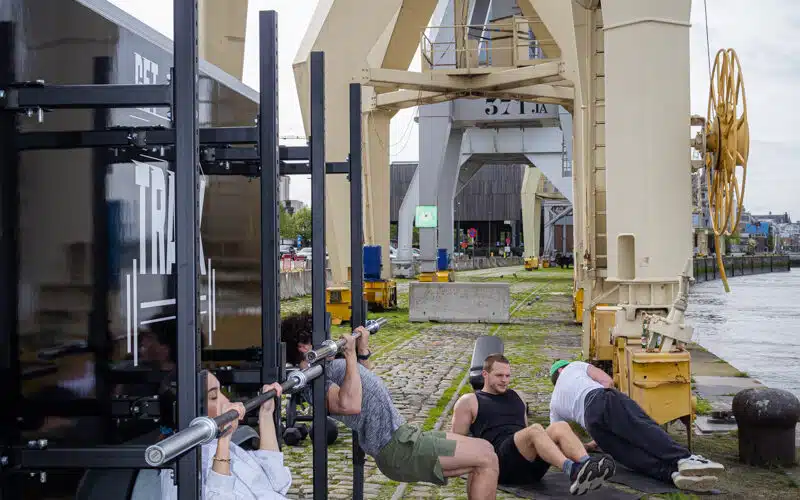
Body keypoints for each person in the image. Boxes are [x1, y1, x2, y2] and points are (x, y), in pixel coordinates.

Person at [281, 311, 500, 500]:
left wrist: (362, 351)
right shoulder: (313, 382)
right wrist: (349, 355)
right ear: (304, 347)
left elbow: (363, 383)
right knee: (487, 460)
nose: (328, 341)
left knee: (485, 449)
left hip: (407, 436)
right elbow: (350, 405)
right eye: (320, 338)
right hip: (398, 449)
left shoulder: (326, 368)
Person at [548, 359, 725, 493]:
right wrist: (616, 402)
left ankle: (672, 474)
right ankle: (685, 460)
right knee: (643, 429)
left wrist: (587, 445)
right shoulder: (574, 366)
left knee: (630, 455)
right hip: (600, 398)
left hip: (591, 424)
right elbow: (607, 381)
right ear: (562, 369)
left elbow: (559, 438)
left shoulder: (554, 403)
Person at [451, 354, 615, 496]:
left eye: (507, 376)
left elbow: (525, 432)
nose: (505, 380)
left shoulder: (517, 397)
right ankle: (573, 470)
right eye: (499, 375)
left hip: (529, 467)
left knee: (560, 426)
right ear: (485, 374)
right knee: (535, 429)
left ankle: (588, 466)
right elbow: (456, 442)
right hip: (500, 464)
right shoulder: (470, 401)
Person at [146, 372, 292, 499]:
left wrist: (266, 414)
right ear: (191, 409)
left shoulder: (214, 445)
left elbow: (277, 482)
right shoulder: (182, 463)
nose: (226, 400)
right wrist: (224, 440)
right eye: (214, 396)